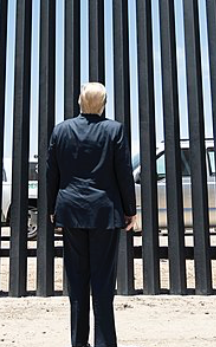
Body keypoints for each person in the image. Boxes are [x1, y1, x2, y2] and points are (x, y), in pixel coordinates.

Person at [47, 83, 137, 347]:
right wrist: (130, 210)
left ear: (79, 101)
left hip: (71, 211)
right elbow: (124, 173)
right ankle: (104, 343)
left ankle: (78, 342)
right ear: (104, 103)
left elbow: (52, 173)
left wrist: (52, 207)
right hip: (104, 213)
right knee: (103, 281)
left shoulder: (61, 130)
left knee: (77, 281)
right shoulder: (114, 130)